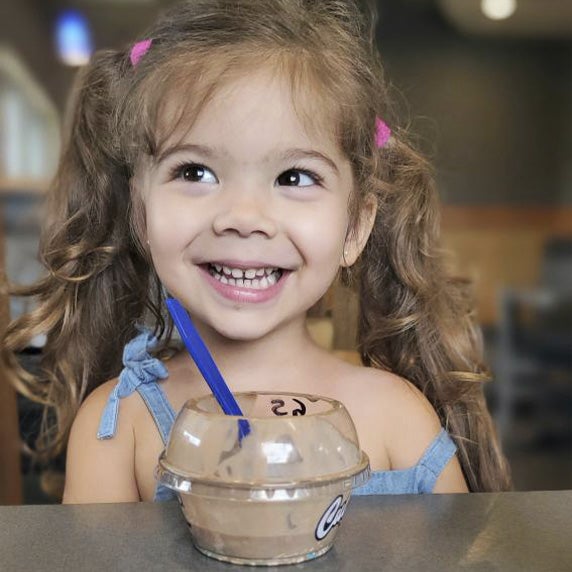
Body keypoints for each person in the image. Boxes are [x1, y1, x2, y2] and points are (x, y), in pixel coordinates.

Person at [2, 0, 511, 503]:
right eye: (195, 172)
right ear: (141, 213)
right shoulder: (119, 428)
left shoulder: (399, 419)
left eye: (294, 177)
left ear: (354, 226)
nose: (243, 217)